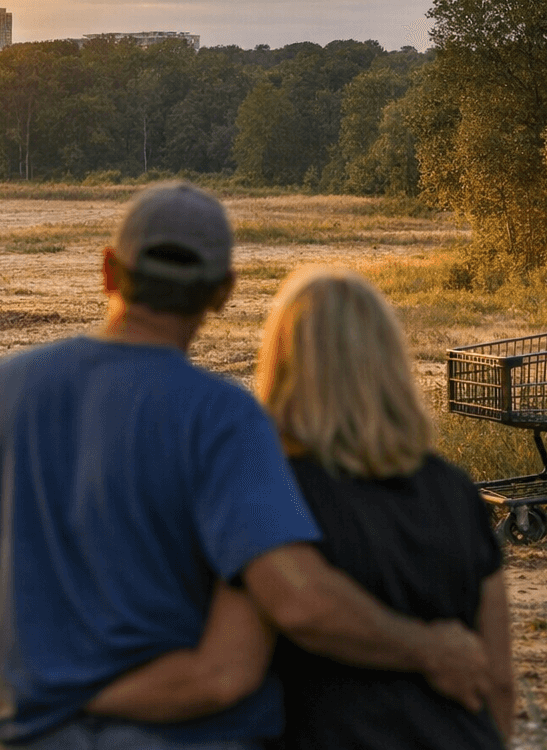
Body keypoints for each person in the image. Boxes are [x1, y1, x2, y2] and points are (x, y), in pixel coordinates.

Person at [0, 182, 493, 750]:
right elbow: (296, 603)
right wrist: (430, 648)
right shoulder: (223, 417)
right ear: (223, 292)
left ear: (110, 270)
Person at [89, 266, 515, 748]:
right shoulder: (455, 489)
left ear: (281, 364)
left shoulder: (272, 494)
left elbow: (226, 672)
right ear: (390, 363)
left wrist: (64, 695)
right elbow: (498, 680)